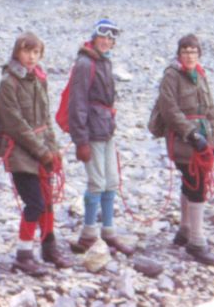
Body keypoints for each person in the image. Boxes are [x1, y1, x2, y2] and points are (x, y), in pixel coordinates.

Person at [0, 32, 73, 275]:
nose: (31, 57)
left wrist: (53, 149)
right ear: (17, 53)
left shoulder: (39, 79)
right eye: (26, 51)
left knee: (47, 201)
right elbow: (14, 124)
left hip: (41, 153)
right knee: (35, 203)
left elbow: (45, 120)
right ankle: (23, 254)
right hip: (19, 154)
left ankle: (49, 248)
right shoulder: (8, 83)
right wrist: (41, 151)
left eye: (35, 52)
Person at [68, 19, 134, 256]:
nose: (106, 41)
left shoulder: (103, 62)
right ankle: (88, 235)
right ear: (94, 37)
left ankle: (108, 231)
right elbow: (77, 103)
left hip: (105, 129)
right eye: (103, 36)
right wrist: (81, 140)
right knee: (96, 182)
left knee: (111, 181)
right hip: (92, 131)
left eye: (111, 38)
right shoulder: (85, 64)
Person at [153, 34, 214, 265]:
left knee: (190, 181)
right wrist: (192, 134)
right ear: (179, 54)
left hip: (202, 138)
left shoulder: (201, 75)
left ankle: (185, 229)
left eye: (193, 51)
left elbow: (210, 109)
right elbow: (169, 109)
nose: (190, 56)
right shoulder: (171, 76)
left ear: (199, 54)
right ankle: (197, 241)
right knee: (196, 184)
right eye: (186, 51)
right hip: (183, 140)